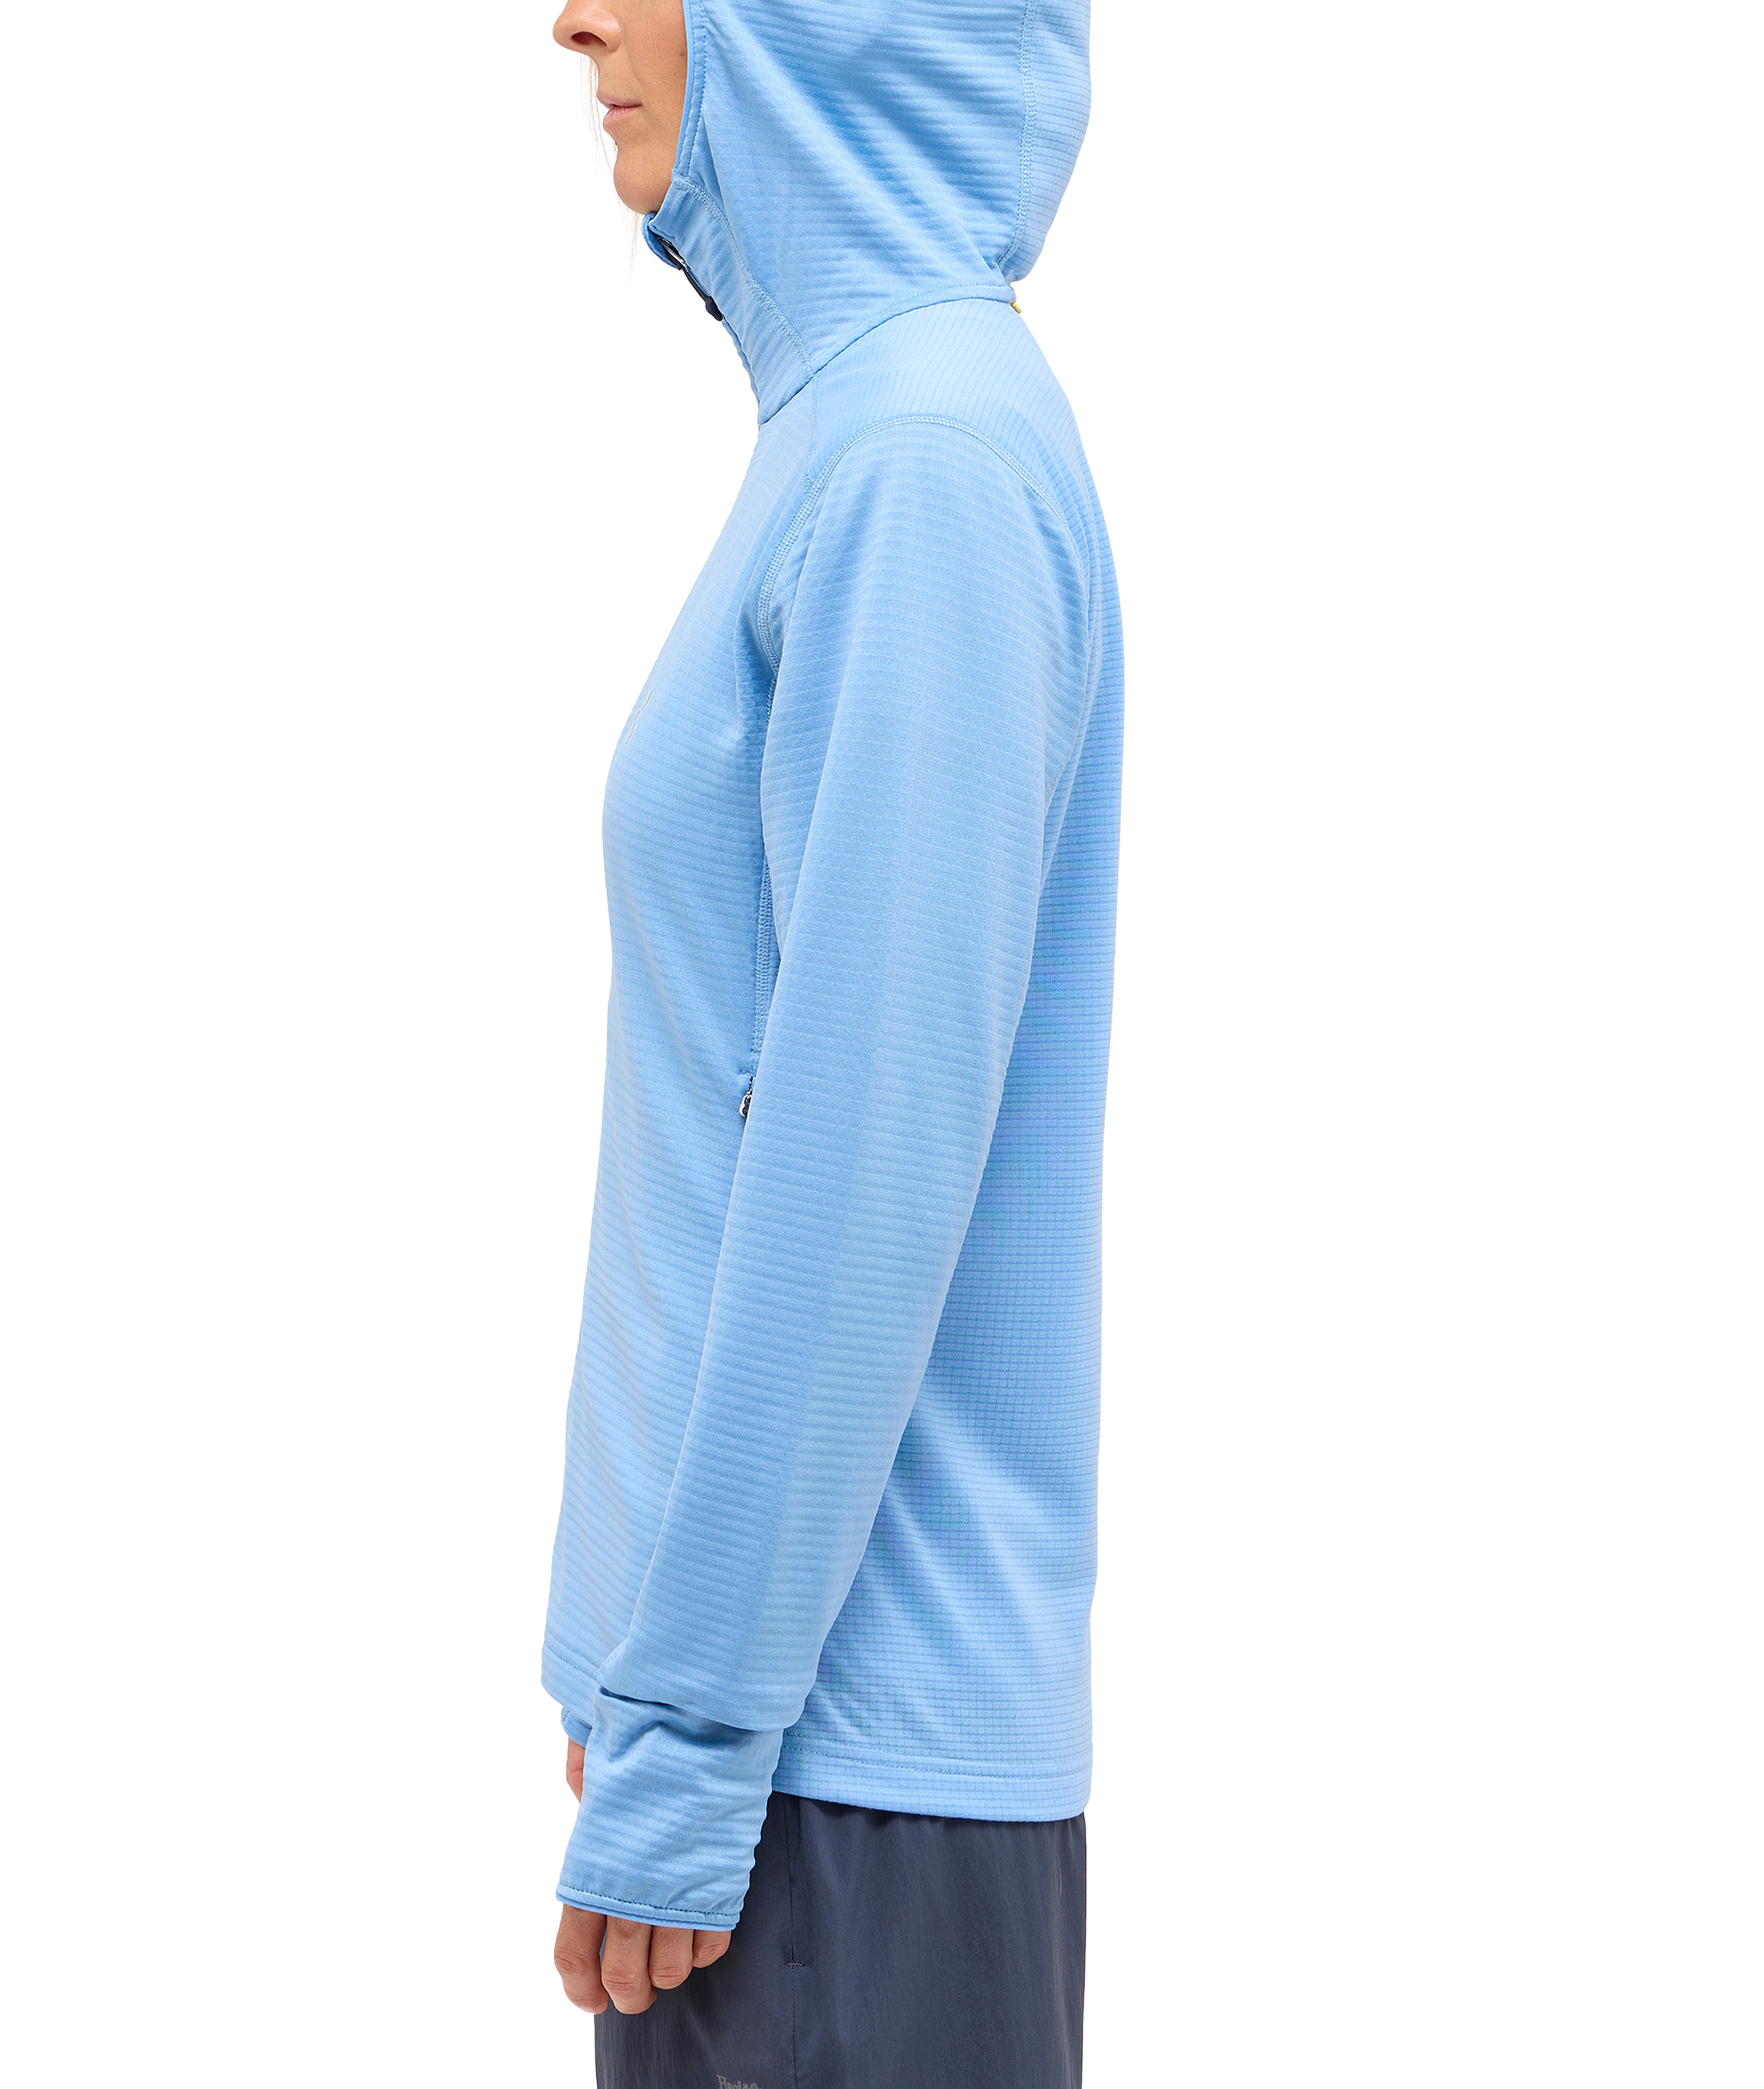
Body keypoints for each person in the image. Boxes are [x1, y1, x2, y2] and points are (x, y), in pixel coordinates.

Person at [541, 1, 1122, 2080]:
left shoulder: (920, 464)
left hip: (837, 1795)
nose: (573, 19)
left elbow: (861, 1155)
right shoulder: (859, 439)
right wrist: (651, 1682)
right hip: (788, 1769)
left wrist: (696, 1726)